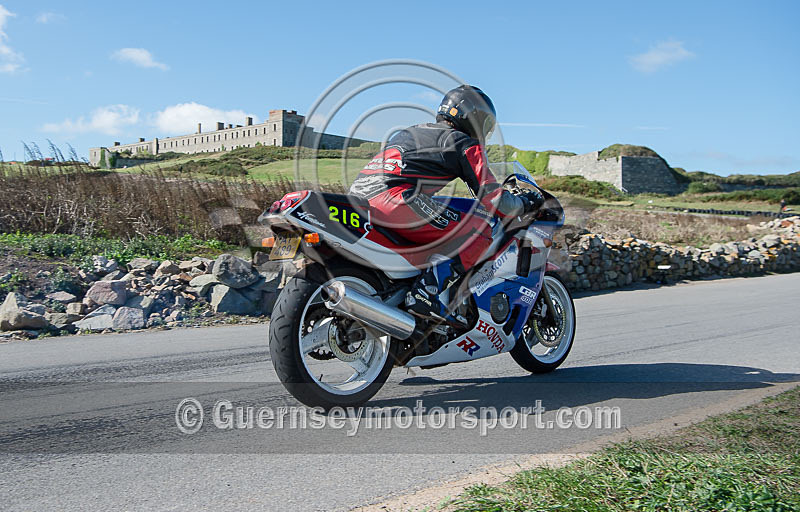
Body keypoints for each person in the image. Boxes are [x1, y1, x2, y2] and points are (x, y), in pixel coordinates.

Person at [348, 85, 544, 320]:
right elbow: (494, 199)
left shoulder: (411, 131)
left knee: (444, 224)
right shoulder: (463, 143)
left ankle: (406, 289)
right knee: (480, 229)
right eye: (484, 123)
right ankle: (425, 292)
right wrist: (525, 202)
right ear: (472, 117)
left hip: (359, 198)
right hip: (396, 200)